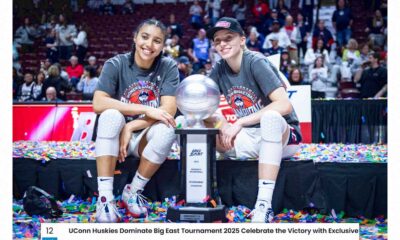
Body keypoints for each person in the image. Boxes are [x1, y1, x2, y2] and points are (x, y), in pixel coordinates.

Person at [206, 17, 302, 223]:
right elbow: (201, 102)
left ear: (242, 39)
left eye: (228, 38)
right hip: (251, 136)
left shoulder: (255, 61)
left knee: (269, 118)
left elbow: (284, 105)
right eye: (217, 40)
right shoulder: (219, 69)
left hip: (285, 135)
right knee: (195, 123)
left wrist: (238, 123)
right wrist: (222, 123)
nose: (222, 44)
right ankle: (200, 197)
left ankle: (263, 206)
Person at [93, 19, 179, 223]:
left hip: (143, 136)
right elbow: (98, 103)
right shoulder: (115, 64)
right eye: (145, 37)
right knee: (110, 115)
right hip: (115, 136)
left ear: (162, 46)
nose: (149, 45)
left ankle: (132, 191)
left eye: (157, 41)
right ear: (135, 37)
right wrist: (144, 110)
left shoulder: (168, 66)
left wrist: (131, 125)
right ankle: (105, 199)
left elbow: (168, 110)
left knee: (167, 129)